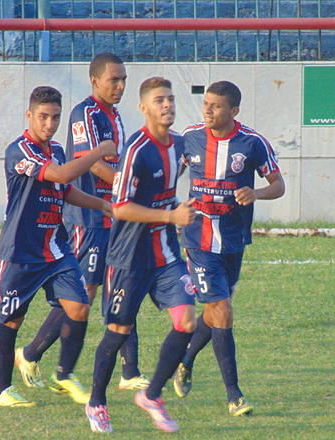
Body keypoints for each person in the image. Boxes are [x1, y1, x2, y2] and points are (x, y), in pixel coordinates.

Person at [15, 53, 149, 393]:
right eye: (113, 80)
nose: (120, 86)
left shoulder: (115, 116)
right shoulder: (84, 114)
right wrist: (128, 189)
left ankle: (130, 371)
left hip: (110, 216)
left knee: (123, 286)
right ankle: (32, 354)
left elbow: (115, 163)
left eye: (123, 80)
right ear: (95, 81)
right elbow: (91, 164)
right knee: (84, 294)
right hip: (87, 219)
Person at [0, 86, 116, 407]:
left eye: (55, 117)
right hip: (21, 250)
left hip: (56, 248)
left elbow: (65, 190)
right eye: (43, 116)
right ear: (29, 115)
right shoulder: (19, 150)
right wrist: (97, 151)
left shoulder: (57, 149)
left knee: (78, 306)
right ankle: (2, 391)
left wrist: (102, 205)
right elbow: (59, 174)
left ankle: (64, 373)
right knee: (11, 321)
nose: (49, 123)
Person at [85, 77, 197, 433]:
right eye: (160, 100)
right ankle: (96, 401)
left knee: (186, 322)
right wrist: (169, 216)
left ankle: (151, 395)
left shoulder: (179, 146)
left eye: (171, 99)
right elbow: (119, 208)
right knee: (117, 331)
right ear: (144, 108)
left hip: (164, 254)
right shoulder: (136, 149)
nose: (168, 105)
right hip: (128, 258)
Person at [173, 80, 285, 416]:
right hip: (198, 239)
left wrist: (256, 193)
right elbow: (166, 175)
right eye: (206, 103)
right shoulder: (189, 137)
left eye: (216, 106)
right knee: (222, 311)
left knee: (214, 312)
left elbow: (278, 185)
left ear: (233, 111)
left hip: (234, 239)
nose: (207, 110)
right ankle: (234, 396)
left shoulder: (252, 143)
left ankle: (186, 360)